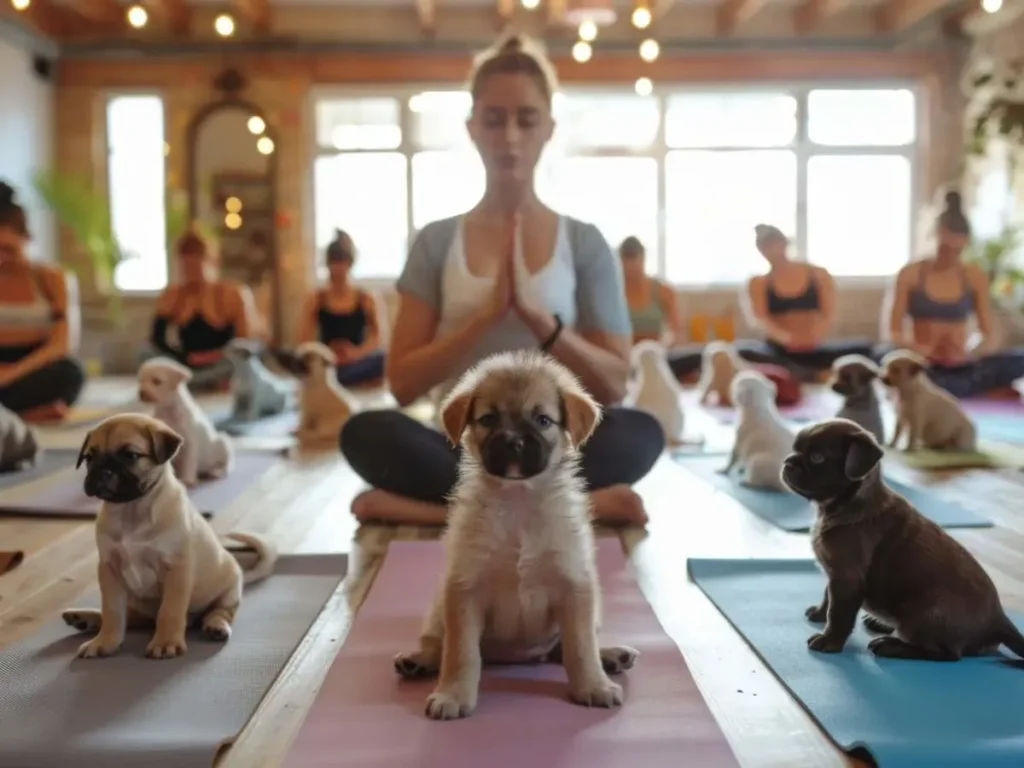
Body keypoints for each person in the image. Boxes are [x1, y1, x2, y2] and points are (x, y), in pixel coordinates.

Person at [339, 33, 664, 527]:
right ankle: (578, 506)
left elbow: (615, 385)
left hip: (551, 447)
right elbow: (402, 384)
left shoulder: (584, 242)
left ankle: (440, 511)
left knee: (640, 431)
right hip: (468, 448)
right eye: (494, 119)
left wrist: (542, 323)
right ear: (472, 128)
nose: (510, 136)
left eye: (526, 119)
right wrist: (484, 317)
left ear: (549, 127)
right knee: (366, 431)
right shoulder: (436, 241)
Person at [881, 190, 1024, 398]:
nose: (950, 256)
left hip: (960, 362)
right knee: (883, 358)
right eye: (944, 249)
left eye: (957, 251)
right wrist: (923, 350)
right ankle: (973, 389)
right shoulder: (910, 274)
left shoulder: (974, 275)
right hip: (922, 362)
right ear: (933, 238)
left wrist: (967, 352)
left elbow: (987, 333)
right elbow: (892, 332)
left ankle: (956, 387)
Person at [0, 181, 86, 419]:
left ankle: (10, 414)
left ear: (26, 238)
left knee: (70, 373)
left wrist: (11, 373)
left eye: (7, 250)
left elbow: (63, 343)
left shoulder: (52, 278)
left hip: (33, 365)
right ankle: (24, 414)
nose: (2, 258)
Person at [739, 224, 872, 374]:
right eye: (766, 245)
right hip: (779, 350)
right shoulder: (758, 282)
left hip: (814, 346)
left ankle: (802, 371)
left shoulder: (817, 274)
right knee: (741, 351)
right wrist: (787, 339)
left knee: (864, 349)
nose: (771, 249)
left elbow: (829, 314)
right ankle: (808, 372)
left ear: (784, 243)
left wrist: (812, 338)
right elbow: (760, 319)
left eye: (774, 243)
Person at [147, 229, 261, 389]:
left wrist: (214, 355)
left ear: (211, 262)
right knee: (146, 356)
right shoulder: (173, 296)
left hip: (222, 363)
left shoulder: (233, 293)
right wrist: (186, 357)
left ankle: (205, 382)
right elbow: (157, 340)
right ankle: (190, 382)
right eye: (186, 266)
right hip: (187, 365)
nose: (191, 272)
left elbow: (246, 342)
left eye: (196, 265)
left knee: (244, 359)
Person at [295, 230, 384, 387]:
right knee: (303, 363)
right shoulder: (317, 299)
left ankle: (342, 380)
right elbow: (304, 340)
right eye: (334, 262)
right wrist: (327, 354)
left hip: (356, 361)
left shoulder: (366, 298)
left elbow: (377, 338)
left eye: (341, 262)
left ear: (349, 264)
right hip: (328, 362)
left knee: (384, 359)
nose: (337, 268)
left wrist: (356, 353)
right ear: (328, 264)